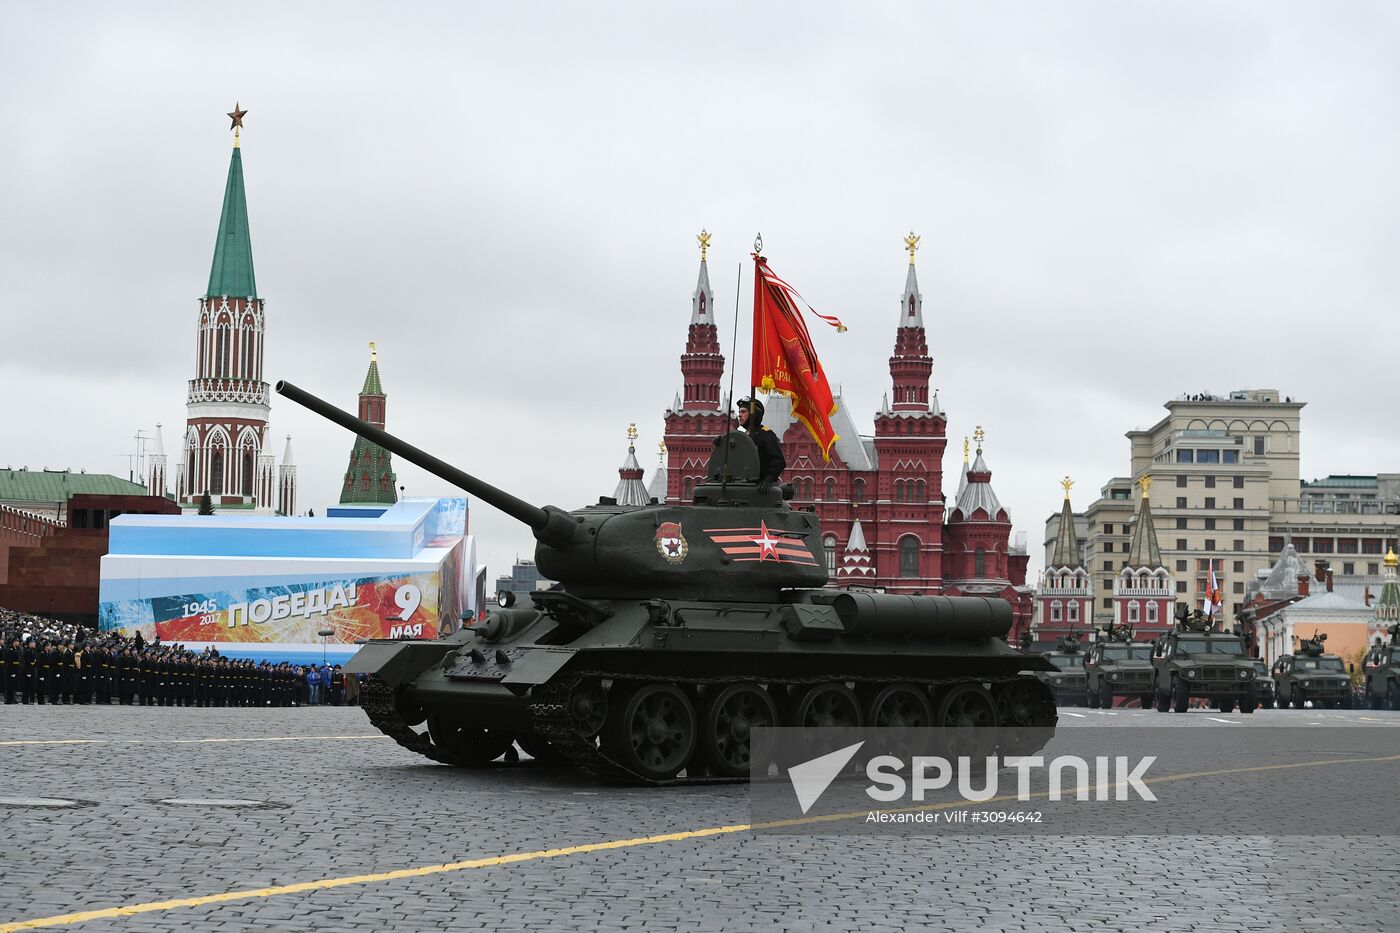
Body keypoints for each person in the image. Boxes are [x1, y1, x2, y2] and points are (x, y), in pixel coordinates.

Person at [736, 397, 785, 493]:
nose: (739, 415)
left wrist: (768, 479)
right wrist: (721, 442)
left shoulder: (766, 434)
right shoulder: (743, 436)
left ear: (754, 414)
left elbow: (779, 460)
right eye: (739, 412)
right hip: (742, 486)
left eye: (743, 412)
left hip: (759, 489)